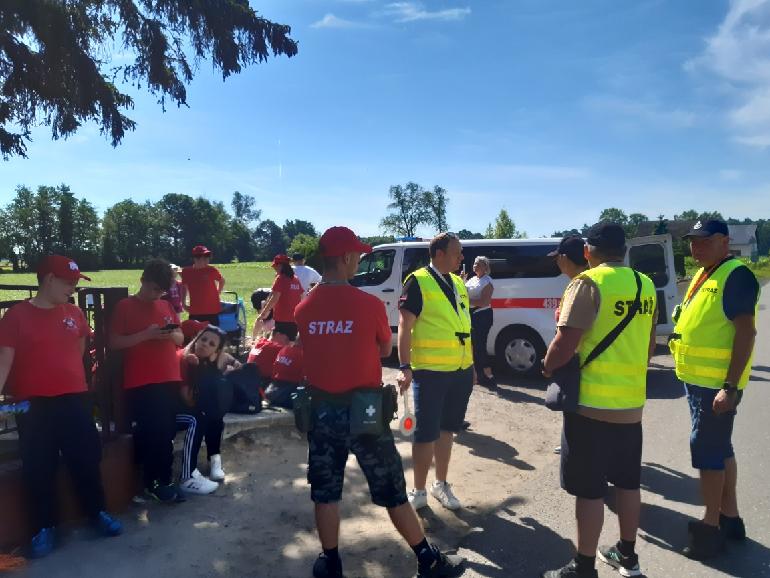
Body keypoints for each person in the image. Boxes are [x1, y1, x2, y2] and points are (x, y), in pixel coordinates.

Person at [295, 225, 464, 578]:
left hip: (322, 412)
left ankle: (330, 562)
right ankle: (427, 560)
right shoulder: (368, 304)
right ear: (345, 258)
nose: (359, 260)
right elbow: (385, 348)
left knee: (325, 492)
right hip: (366, 412)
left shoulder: (304, 307)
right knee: (392, 491)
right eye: (357, 255)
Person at [540, 223, 657, 578]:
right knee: (628, 483)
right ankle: (628, 556)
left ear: (588, 251)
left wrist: (547, 366)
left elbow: (565, 343)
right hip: (631, 406)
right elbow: (649, 347)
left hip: (591, 407)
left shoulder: (587, 283)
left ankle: (584, 566)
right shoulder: (645, 284)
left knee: (590, 491)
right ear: (624, 250)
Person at [0, 256, 123, 558]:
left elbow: (78, 350)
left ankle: (97, 512)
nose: (73, 288)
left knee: (85, 458)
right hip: (30, 403)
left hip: (73, 398)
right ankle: (44, 526)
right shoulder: (16, 316)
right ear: (49, 279)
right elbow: (4, 361)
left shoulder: (74, 313)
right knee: (38, 465)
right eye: (68, 282)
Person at [669, 219, 759, 560]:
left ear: (724, 241)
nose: (696, 247)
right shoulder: (705, 273)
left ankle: (710, 527)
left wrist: (730, 387)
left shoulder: (736, 275)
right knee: (720, 448)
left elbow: (746, 333)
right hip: (700, 384)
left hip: (716, 387)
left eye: (704, 240)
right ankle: (730, 517)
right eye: (693, 241)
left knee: (707, 451)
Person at [397, 232, 473, 512]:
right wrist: (405, 366)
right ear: (439, 253)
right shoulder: (418, 281)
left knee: (447, 430)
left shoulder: (457, 282)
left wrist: (472, 365)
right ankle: (418, 490)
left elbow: (464, 324)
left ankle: (440, 484)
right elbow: (405, 326)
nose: (461, 257)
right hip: (430, 372)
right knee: (425, 433)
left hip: (461, 369)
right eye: (457, 252)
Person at [110, 259, 185, 503]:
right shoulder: (125, 306)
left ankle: (162, 480)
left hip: (169, 376)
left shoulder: (166, 305)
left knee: (166, 429)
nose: (157, 295)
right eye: (154, 289)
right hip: (143, 380)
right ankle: (156, 481)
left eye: (161, 291)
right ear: (142, 280)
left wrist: (169, 334)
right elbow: (114, 342)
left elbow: (180, 338)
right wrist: (146, 335)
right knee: (156, 431)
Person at [177, 325, 242, 492]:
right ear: (196, 340)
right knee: (203, 415)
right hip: (177, 408)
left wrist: (229, 366)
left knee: (215, 413)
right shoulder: (185, 359)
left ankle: (215, 460)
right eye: (203, 339)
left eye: (211, 344)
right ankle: (190, 475)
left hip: (193, 406)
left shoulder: (207, 362)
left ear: (216, 351)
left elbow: (231, 360)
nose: (205, 344)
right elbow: (188, 399)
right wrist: (196, 370)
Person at [550, 235, 588, 454]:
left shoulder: (580, 285)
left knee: (574, 403)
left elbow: (568, 335)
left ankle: (574, 446)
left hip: (578, 358)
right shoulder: (584, 281)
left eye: (557, 258)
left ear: (565, 258)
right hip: (581, 357)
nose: (556, 262)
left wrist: (550, 363)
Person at [464, 256, 496, 388]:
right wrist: (461, 281)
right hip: (472, 316)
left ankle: (489, 376)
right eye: (474, 263)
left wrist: (465, 301)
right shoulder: (472, 279)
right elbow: (463, 292)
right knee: (472, 346)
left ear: (485, 267)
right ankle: (477, 376)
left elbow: (484, 302)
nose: (475, 265)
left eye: (478, 264)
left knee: (480, 346)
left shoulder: (487, 281)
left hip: (482, 316)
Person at [258, 254, 303, 340]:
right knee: (290, 343)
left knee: (277, 344)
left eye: (275, 266)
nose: (274, 268)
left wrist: (263, 313)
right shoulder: (296, 279)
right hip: (294, 319)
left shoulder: (281, 279)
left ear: (280, 266)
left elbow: (274, 298)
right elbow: (302, 297)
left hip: (282, 319)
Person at [181, 245, 225, 325]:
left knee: (213, 332)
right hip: (195, 311)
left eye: (208, 256)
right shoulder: (186, 271)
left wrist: (218, 293)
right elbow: (184, 288)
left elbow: (222, 281)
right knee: (195, 332)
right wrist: (183, 304)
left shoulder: (211, 270)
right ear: (195, 258)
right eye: (204, 256)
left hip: (212, 310)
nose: (207, 259)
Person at [265, 339, 304, 409]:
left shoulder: (284, 349)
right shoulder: (302, 354)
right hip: (287, 395)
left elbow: (274, 369)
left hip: (271, 391)